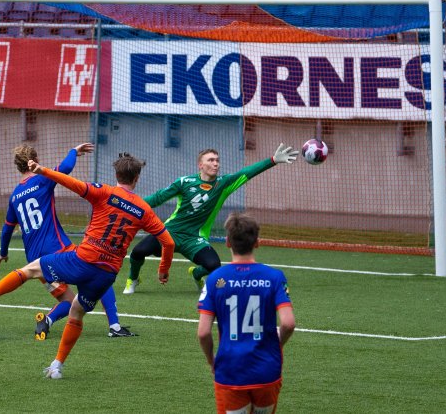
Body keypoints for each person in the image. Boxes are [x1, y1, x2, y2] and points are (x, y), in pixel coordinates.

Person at [15, 152, 175, 379]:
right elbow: (168, 242)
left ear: (116, 174)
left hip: (83, 260)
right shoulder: (143, 209)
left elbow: (71, 183)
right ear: (137, 178)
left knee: (33, 269)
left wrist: (43, 171)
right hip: (106, 273)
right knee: (77, 312)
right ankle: (58, 364)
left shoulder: (104, 192)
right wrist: (163, 270)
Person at [0, 143, 135, 339]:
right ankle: (115, 326)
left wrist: (3, 253)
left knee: (68, 300)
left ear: (17, 166)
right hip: (58, 249)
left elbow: (7, 228)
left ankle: (45, 320)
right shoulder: (42, 180)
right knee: (99, 276)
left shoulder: (15, 196)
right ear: (36, 161)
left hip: (35, 259)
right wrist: (74, 151)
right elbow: (65, 168)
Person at [123, 143, 298, 294]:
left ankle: (196, 274)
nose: (216, 164)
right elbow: (157, 198)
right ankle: (133, 279)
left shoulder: (223, 184)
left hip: (195, 239)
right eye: (211, 160)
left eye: (217, 160)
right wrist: (128, 204)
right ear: (200, 165)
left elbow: (247, 172)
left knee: (214, 265)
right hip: (170, 232)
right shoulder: (184, 182)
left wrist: (273, 160)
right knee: (138, 252)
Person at [197, 212, 295, 414]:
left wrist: (211, 361)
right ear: (257, 242)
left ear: (227, 242)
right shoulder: (274, 277)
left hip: (230, 370)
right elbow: (288, 323)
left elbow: (203, 332)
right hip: (267, 369)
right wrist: (277, 345)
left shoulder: (215, 279)